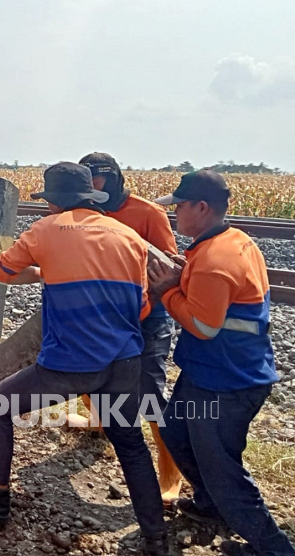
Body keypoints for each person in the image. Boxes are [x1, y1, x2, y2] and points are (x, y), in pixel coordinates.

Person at [0, 162, 168, 556]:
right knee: (130, 442)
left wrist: (48, 272)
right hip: (123, 360)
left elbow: (2, 272)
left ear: (52, 201)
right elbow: (141, 309)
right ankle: (156, 537)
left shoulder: (46, 230)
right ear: (91, 196)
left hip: (69, 363)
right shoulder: (130, 237)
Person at [149, 171, 294, 556]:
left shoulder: (216, 258)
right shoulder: (231, 240)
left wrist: (166, 291)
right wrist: (185, 279)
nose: (174, 213)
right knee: (175, 431)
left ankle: (273, 549)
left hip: (225, 382)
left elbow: (202, 326)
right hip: (210, 372)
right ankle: (210, 505)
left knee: (223, 471)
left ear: (202, 207)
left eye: (179, 206)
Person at [66, 152, 183, 506]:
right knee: (86, 374)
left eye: (96, 180)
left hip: (146, 318)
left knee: (148, 393)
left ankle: (170, 476)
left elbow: (168, 267)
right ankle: (100, 422)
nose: (91, 188)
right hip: (100, 314)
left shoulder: (148, 213)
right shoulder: (79, 211)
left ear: (112, 178)